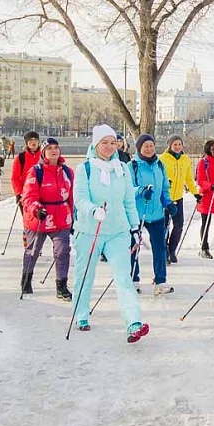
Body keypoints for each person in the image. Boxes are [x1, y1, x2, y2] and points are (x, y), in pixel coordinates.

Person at [71, 125, 149, 342]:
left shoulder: (121, 168)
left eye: (112, 142)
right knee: (85, 274)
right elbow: (79, 198)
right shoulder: (85, 168)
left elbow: (129, 202)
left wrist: (135, 229)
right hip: (90, 230)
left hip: (118, 231)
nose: (109, 147)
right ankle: (81, 313)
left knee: (124, 277)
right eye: (104, 142)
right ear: (96, 144)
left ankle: (133, 322)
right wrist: (93, 210)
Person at [21, 138, 74, 301]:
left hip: (61, 218)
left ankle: (61, 285)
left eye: (56, 147)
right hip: (40, 218)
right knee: (33, 251)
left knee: (62, 252)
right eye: (49, 148)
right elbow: (28, 196)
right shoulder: (36, 171)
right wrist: (36, 209)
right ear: (44, 152)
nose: (54, 151)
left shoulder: (67, 171)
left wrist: (73, 217)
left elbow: (71, 197)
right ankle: (26, 279)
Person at [130, 134, 174, 295]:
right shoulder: (132, 166)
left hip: (156, 214)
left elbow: (164, 188)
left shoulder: (159, 165)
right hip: (138, 214)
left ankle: (160, 281)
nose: (149, 149)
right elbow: (128, 189)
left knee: (160, 248)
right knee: (134, 246)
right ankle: (133, 280)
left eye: (151, 146)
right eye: (145, 146)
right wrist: (141, 191)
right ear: (139, 148)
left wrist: (168, 202)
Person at [159, 134, 200, 264]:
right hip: (165, 198)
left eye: (179, 144)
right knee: (164, 226)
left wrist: (195, 193)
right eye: (175, 144)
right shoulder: (162, 159)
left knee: (178, 225)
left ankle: (172, 250)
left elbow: (188, 178)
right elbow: (159, 176)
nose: (177, 147)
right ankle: (164, 251)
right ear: (169, 145)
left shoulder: (185, 159)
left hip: (178, 197)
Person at [12, 131, 42, 210]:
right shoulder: (20, 157)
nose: (33, 142)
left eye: (35, 139)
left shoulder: (44, 155)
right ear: (26, 143)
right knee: (29, 220)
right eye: (30, 140)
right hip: (26, 194)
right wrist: (19, 193)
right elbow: (15, 178)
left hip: (43, 193)